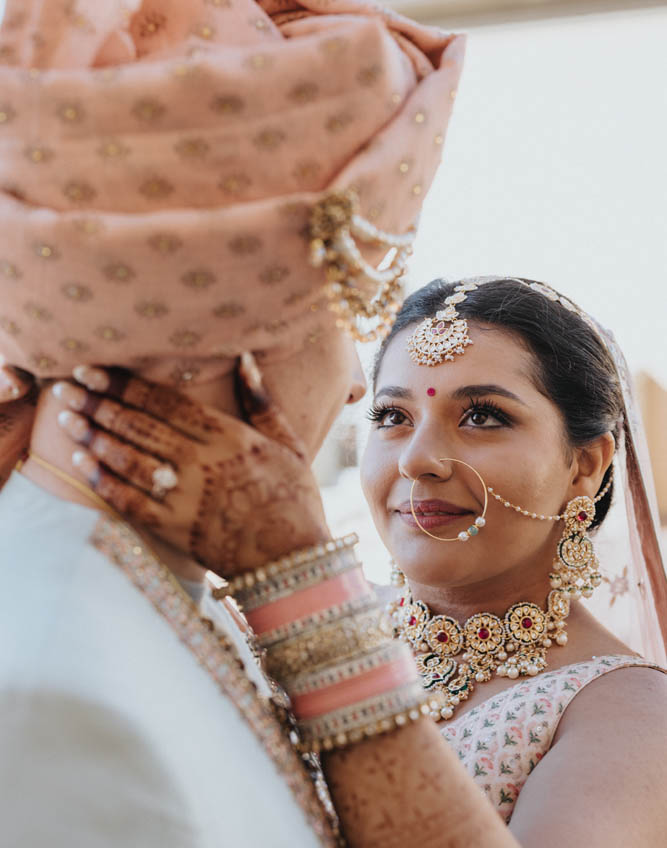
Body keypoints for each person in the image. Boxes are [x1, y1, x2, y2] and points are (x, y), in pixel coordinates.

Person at [0, 0, 494, 847]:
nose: (353, 384)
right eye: (351, 315)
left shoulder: (154, 587)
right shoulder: (51, 691)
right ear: (236, 349)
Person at [53, 276, 667, 846]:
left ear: (585, 465)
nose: (417, 459)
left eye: (482, 416)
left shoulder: (629, 716)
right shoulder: (260, 623)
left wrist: (308, 598)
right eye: (392, 417)